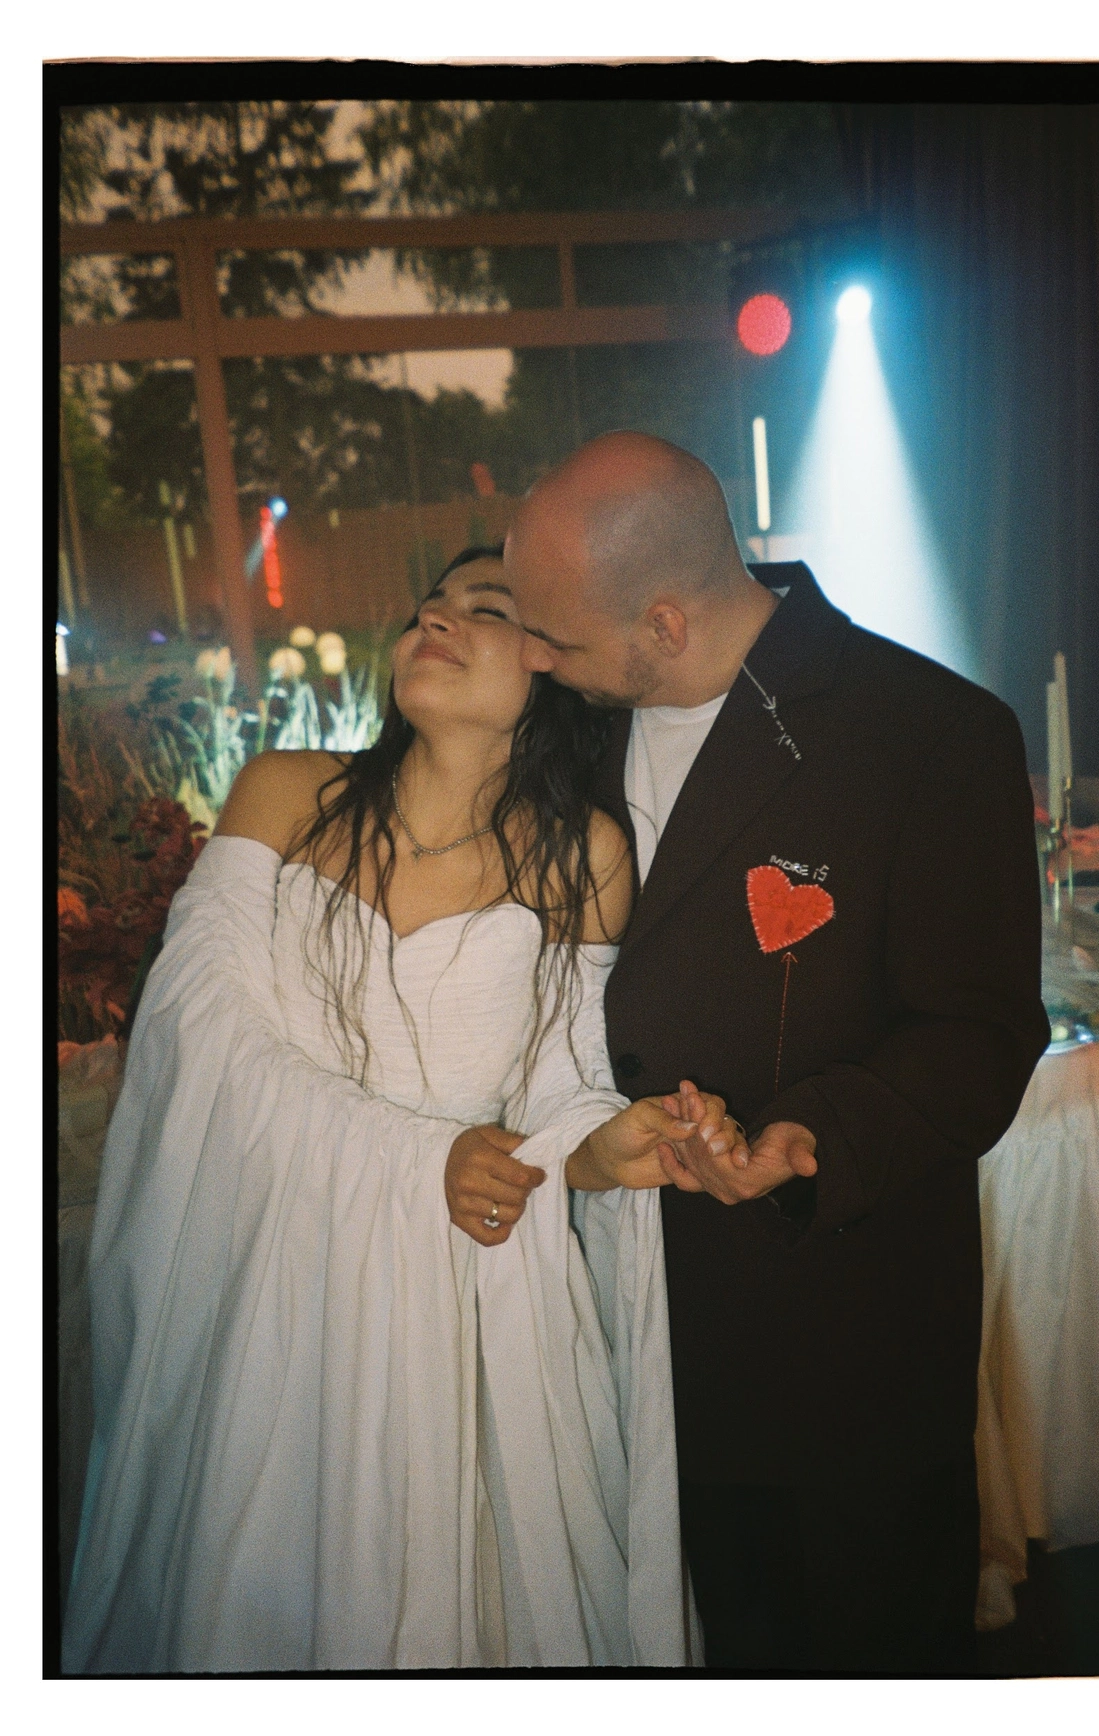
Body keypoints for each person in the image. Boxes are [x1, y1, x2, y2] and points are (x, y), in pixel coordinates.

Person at [62, 547, 745, 1674]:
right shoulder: (285, 793)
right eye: (432, 600)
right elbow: (199, 1033)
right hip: (281, 1290)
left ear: (551, 666)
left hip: (474, 1300)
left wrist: (602, 1143)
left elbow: (562, 1077)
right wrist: (417, 1158)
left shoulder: (587, 852)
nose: (438, 614)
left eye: (487, 608)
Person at [501, 432, 1051, 1676]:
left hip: (829, 1333)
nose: (531, 659)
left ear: (665, 619)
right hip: (604, 1330)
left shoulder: (932, 733)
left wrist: (814, 1135)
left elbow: (979, 1031)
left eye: (553, 638)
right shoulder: (562, 726)